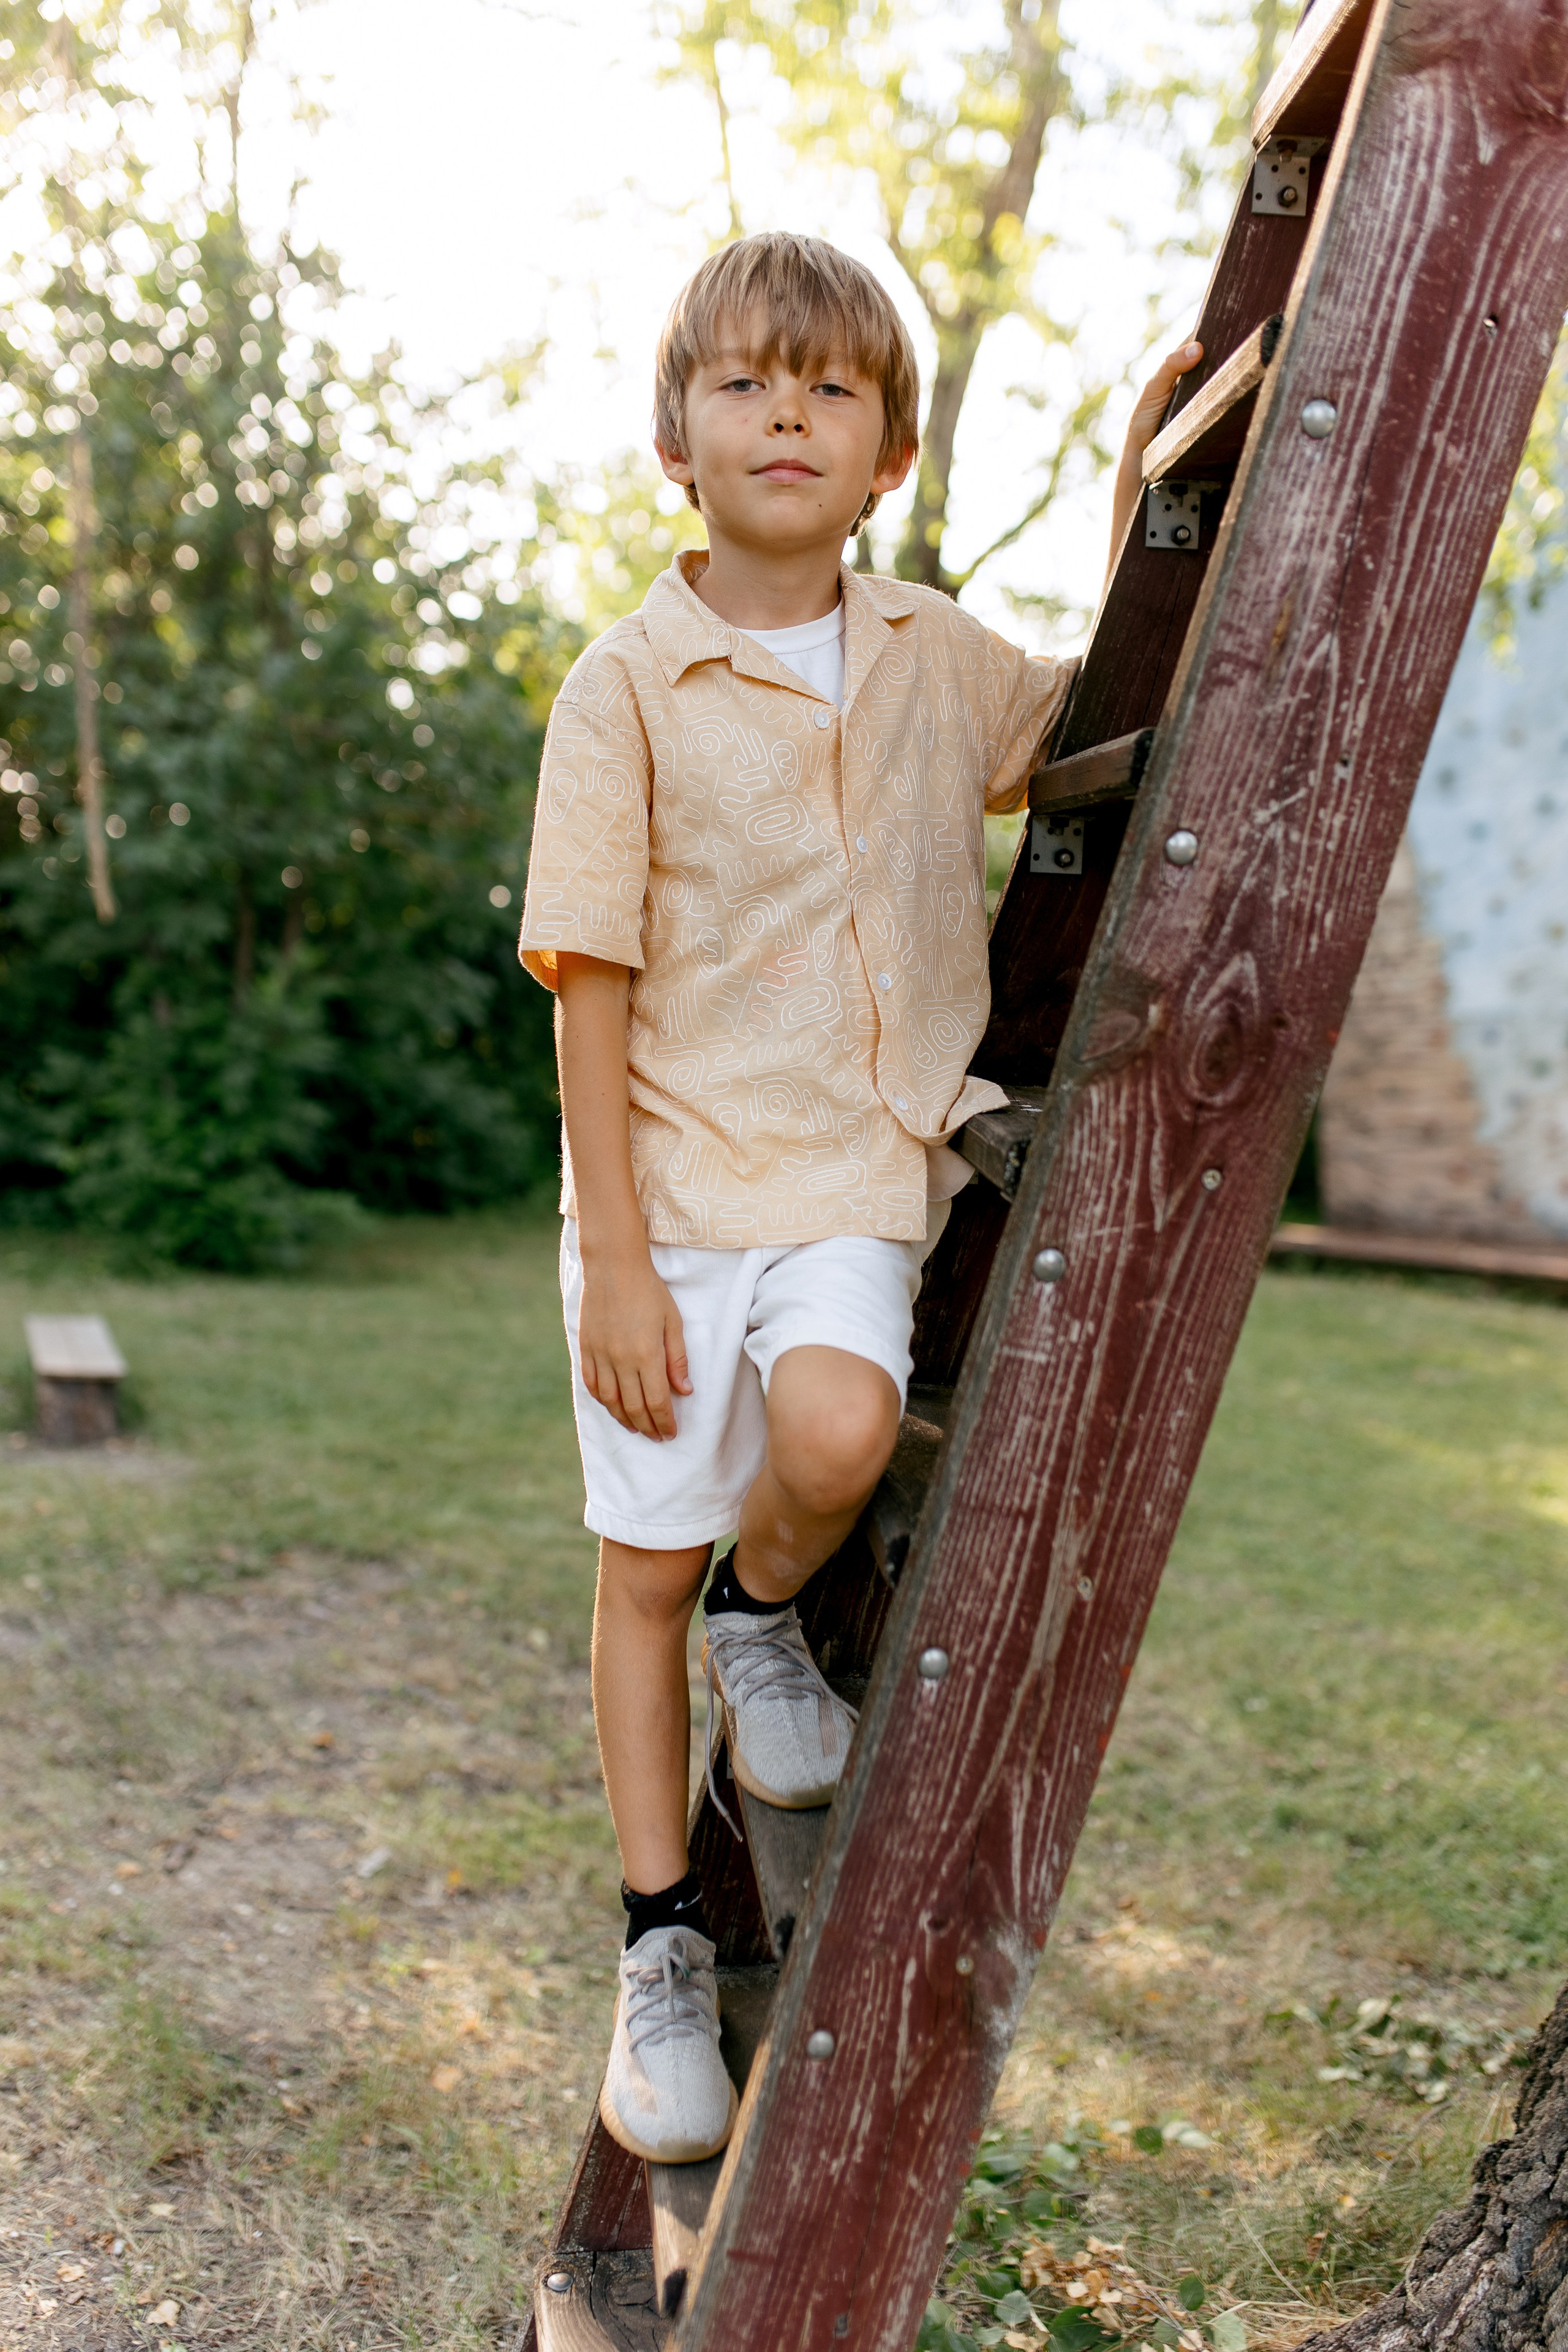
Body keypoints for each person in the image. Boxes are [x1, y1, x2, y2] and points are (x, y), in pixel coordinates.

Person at [518, 230, 1199, 2164]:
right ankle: (658, 1944)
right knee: (629, 1575)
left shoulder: (925, 653)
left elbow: (1093, 702)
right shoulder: (622, 689)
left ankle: (768, 1612)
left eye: (829, 387)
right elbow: (590, 984)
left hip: (845, 1169)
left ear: (889, 449)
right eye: (744, 381)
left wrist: (1157, 481)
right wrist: (620, 1272)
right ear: (679, 438)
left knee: (838, 1429)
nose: (787, 413)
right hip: (661, 1193)